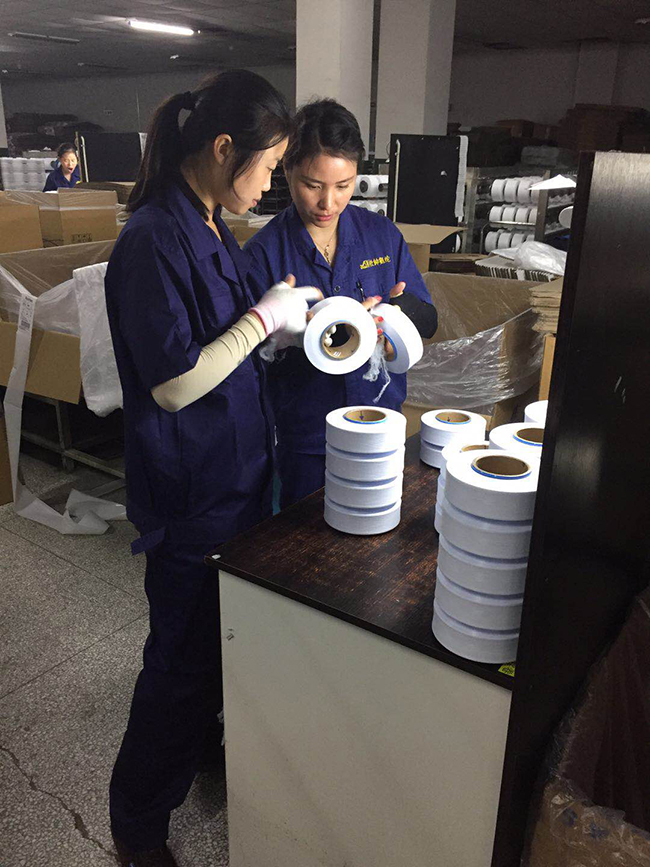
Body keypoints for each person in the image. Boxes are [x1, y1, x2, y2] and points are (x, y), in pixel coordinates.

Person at [104, 70, 320, 867]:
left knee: (214, 647)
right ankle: (137, 824)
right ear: (224, 148)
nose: (270, 187)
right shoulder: (153, 239)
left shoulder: (208, 222)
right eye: (269, 168)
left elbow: (225, 340)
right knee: (179, 666)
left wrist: (283, 324)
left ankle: (197, 746)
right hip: (191, 494)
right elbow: (174, 382)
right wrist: (262, 319)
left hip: (234, 481)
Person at [246, 99, 438, 508]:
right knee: (307, 536)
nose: (328, 203)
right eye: (312, 185)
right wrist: (282, 336)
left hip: (378, 421)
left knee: (378, 523)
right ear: (286, 169)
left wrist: (396, 315)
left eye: (344, 185)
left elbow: (428, 320)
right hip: (307, 434)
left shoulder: (380, 235)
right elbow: (245, 360)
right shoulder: (265, 253)